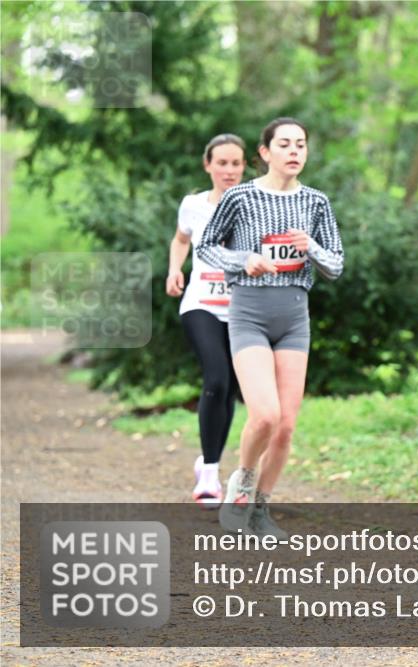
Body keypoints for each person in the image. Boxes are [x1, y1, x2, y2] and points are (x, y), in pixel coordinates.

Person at [196, 117, 344, 538]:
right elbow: (207, 246)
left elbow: (336, 264)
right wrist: (243, 260)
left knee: (286, 425)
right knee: (265, 415)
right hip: (249, 312)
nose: (294, 151)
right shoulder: (241, 197)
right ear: (265, 153)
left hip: (294, 317)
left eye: (301, 144)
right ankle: (241, 482)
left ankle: (260, 509)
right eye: (285, 144)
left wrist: (310, 247)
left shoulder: (316, 202)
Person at [166, 134, 246, 509]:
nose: (229, 170)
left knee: (229, 388)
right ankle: (211, 476)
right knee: (215, 377)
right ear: (208, 165)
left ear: (245, 166)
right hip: (201, 303)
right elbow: (181, 239)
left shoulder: (254, 203)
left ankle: (208, 461)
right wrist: (174, 269)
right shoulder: (193, 205)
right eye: (222, 163)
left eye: (236, 163)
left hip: (243, 307)